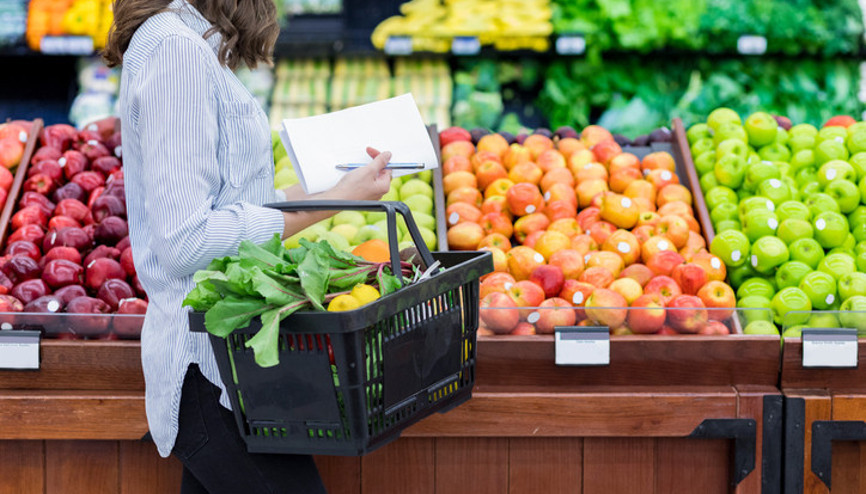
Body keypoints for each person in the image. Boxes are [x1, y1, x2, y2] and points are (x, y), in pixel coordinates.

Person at [104, 1, 392, 492]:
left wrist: (337, 190)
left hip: (233, 362)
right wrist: (336, 202)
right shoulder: (176, 50)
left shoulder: (187, 43)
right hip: (207, 368)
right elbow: (186, 240)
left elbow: (232, 205)